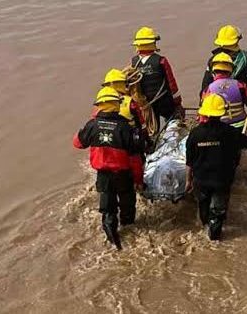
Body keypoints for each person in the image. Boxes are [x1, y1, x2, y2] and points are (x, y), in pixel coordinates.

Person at [73, 87, 144, 250]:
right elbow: (135, 159)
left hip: (104, 176)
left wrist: (84, 131)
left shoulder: (92, 125)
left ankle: (114, 242)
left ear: (100, 106)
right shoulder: (126, 128)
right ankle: (130, 230)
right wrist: (139, 180)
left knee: (108, 210)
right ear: (116, 105)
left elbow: (77, 143)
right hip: (123, 175)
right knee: (128, 206)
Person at [185, 94, 247, 240]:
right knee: (217, 212)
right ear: (221, 113)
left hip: (201, 180)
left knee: (203, 206)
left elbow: (189, 161)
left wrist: (188, 181)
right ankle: (214, 237)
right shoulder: (230, 132)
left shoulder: (195, 134)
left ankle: (204, 225)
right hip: (222, 181)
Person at [130, 26, 185, 122]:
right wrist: (178, 102)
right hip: (164, 101)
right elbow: (172, 84)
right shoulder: (161, 61)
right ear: (153, 43)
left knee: (152, 128)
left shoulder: (133, 63)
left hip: (146, 104)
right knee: (174, 121)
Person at [200, 52, 247, 129]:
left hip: (219, 127)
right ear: (231, 71)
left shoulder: (208, 89)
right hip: (240, 126)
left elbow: (203, 112)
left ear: (213, 72)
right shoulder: (240, 85)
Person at [200, 24, 247, 93]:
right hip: (238, 99)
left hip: (215, 100)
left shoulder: (213, 60)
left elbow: (205, 85)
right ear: (236, 41)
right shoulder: (244, 58)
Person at [101, 68, 149, 150]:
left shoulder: (102, 101)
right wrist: (148, 142)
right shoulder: (130, 103)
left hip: (106, 141)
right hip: (128, 140)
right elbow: (142, 125)